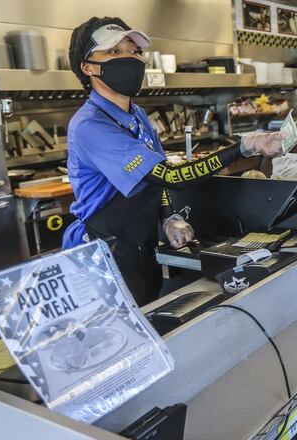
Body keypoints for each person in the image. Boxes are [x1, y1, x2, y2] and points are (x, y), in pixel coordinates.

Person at [63, 17, 285, 306]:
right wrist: (244, 147)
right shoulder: (90, 126)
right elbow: (171, 176)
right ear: (87, 67)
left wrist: (169, 217)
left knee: (151, 314)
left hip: (139, 243)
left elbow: (156, 179)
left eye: (134, 51)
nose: (129, 58)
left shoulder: (137, 115)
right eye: (115, 53)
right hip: (103, 250)